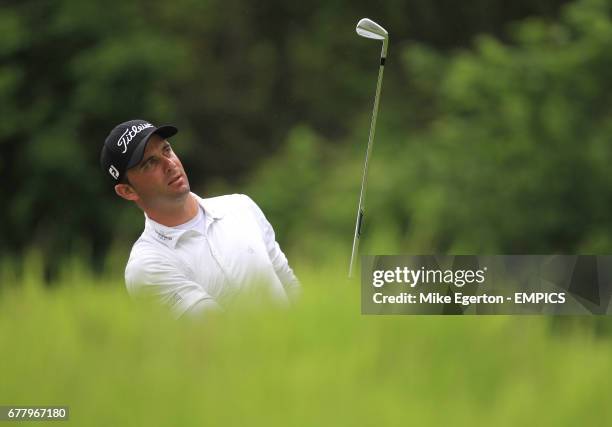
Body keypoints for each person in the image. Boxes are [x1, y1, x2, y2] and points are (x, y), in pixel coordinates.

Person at [100, 119, 300, 317]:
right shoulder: (146, 265)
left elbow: (291, 288)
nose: (169, 164)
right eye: (150, 163)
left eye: (166, 150)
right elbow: (218, 335)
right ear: (127, 191)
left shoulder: (241, 206)